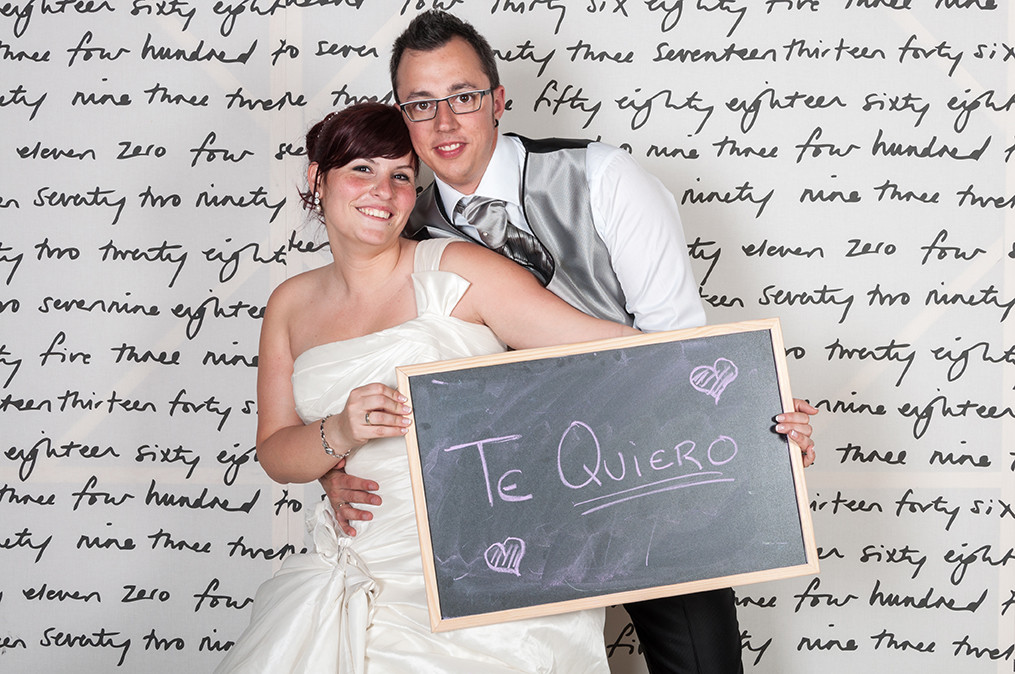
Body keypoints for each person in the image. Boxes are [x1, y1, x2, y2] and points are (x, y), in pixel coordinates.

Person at [319, 11, 818, 674]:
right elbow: (363, 348)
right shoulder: (400, 224)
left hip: (644, 478)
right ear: (402, 116)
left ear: (497, 99)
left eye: (463, 97)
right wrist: (335, 463)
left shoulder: (602, 179)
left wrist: (757, 424)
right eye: (420, 104)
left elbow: (682, 347)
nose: (444, 124)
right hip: (503, 510)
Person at [215, 102, 643, 673]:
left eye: (400, 176)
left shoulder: (458, 271)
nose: (383, 191)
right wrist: (337, 433)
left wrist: (746, 399)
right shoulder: (289, 304)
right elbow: (275, 452)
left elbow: (610, 348)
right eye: (361, 170)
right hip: (363, 567)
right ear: (318, 179)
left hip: (489, 569)